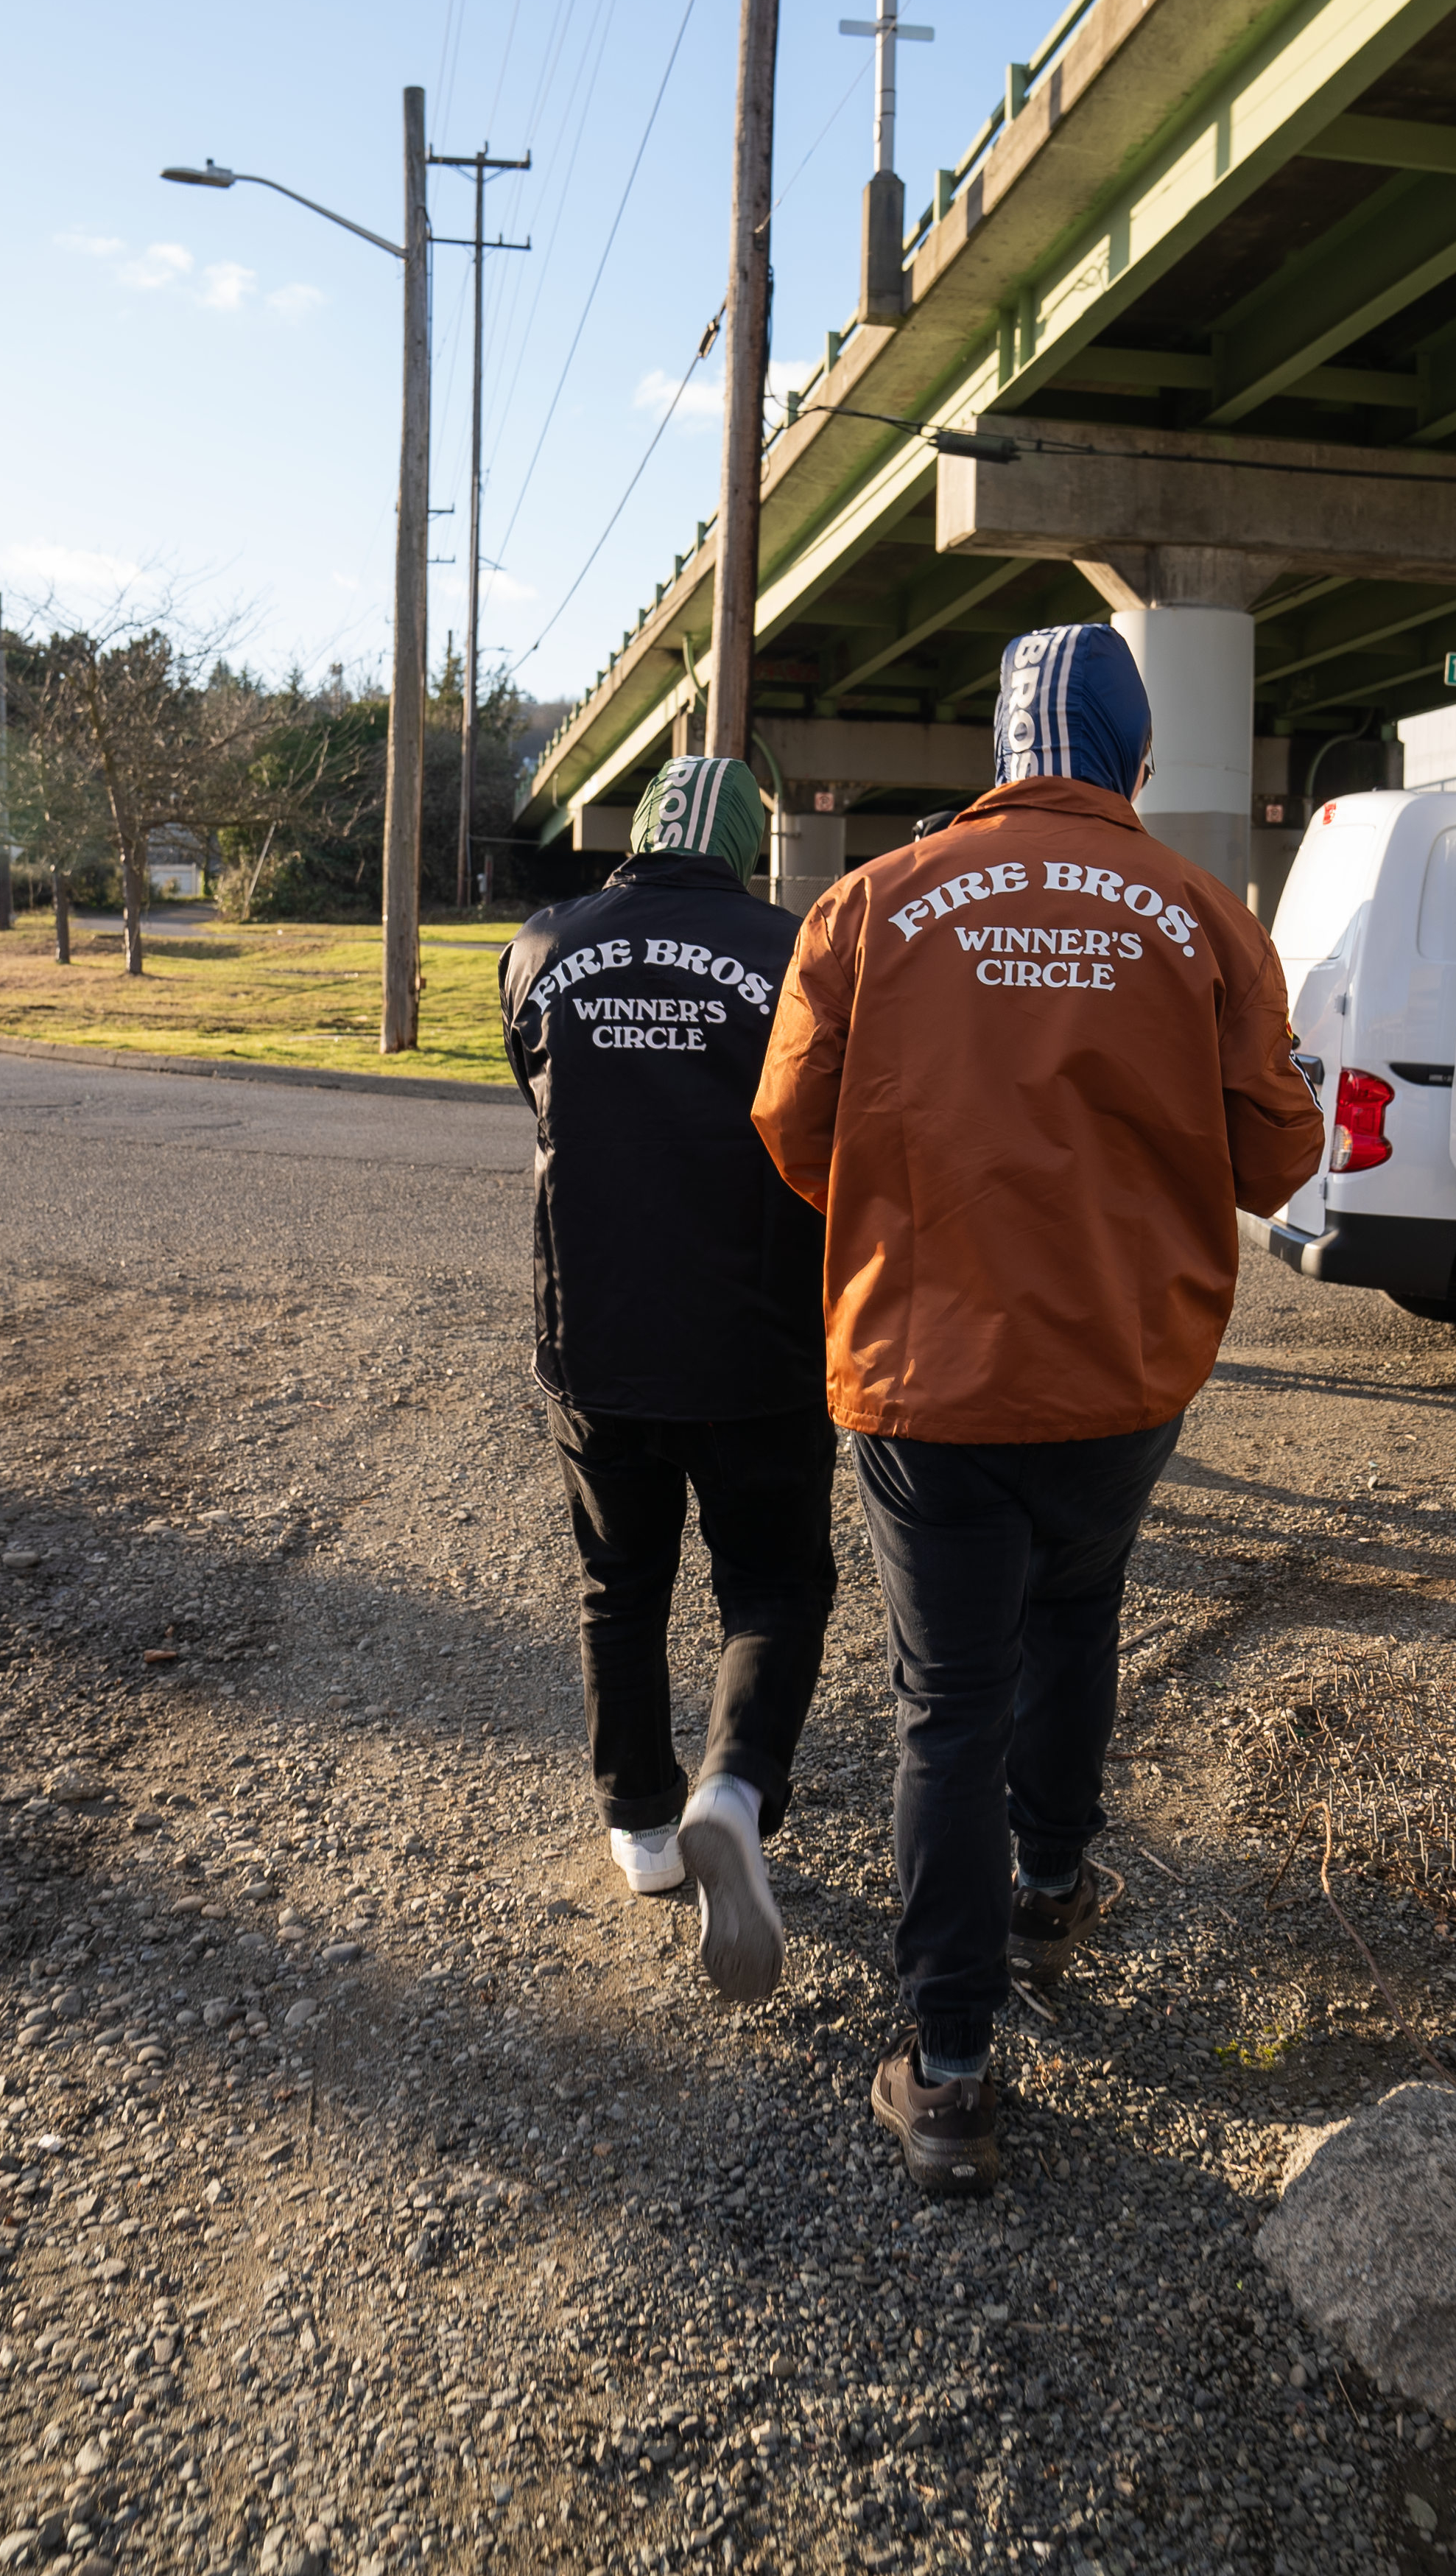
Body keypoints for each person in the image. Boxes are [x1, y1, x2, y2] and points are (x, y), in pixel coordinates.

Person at [752, 622, 1324, 2192]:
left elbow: (794, 1133)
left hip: (926, 1376)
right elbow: (1277, 1160)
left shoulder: (868, 903)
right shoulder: (1208, 915)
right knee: (1079, 1617)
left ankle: (948, 2066)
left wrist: (904, 1222)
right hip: (1121, 1370)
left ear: (1001, 754)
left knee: (949, 1696)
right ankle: (1055, 1885)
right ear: (1139, 762)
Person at [500, 753, 835, 2002]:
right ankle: (734, 1787)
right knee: (772, 1584)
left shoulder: (542, 943)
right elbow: (826, 1125)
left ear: (633, 835)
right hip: (758, 1338)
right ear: (747, 844)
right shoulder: (792, 948)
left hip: (595, 1330)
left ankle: (640, 1825)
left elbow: (539, 1096)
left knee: (619, 1583)